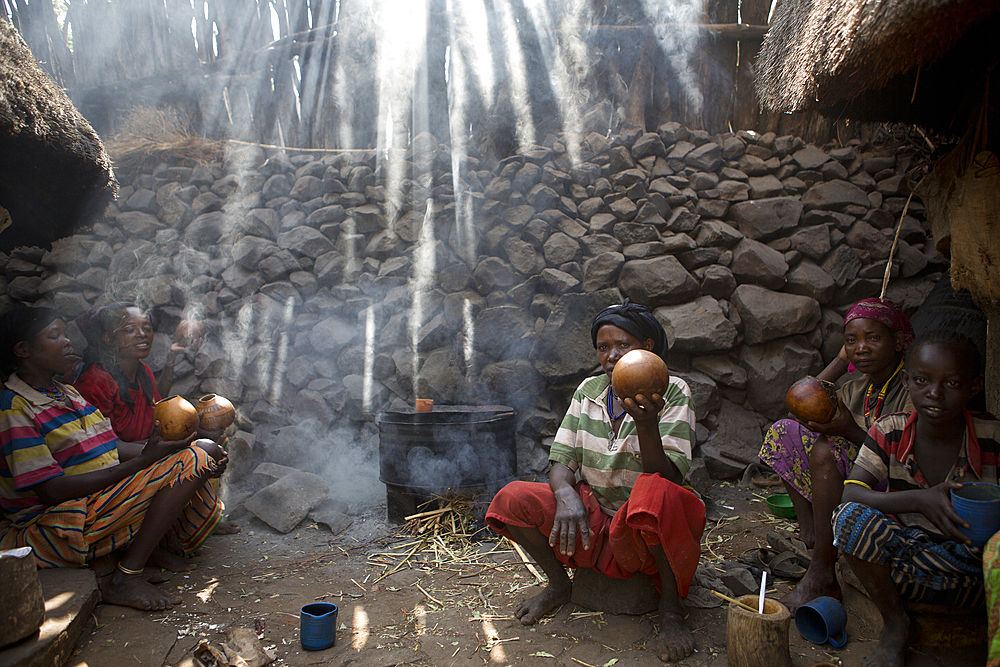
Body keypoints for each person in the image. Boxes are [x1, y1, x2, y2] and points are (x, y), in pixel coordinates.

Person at [485, 300, 705, 663]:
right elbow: (561, 460)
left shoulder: (673, 391)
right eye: (603, 347)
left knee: (656, 494)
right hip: (593, 520)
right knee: (512, 498)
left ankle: (670, 611)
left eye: (623, 345)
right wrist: (565, 493)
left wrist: (647, 424)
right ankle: (559, 585)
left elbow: (668, 476)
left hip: (647, 528)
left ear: (648, 348)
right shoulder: (589, 390)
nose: (611, 355)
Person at [0, 307, 227, 611]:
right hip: (57, 522)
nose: (68, 342)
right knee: (196, 457)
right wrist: (145, 462)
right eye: (56, 336)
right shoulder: (14, 407)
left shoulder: (65, 393)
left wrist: (181, 447)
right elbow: (51, 490)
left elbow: (113, 446)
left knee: (203, 449)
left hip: (93, 501)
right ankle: (126, 575)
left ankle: (144, 551)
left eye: (66, 334)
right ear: (23, 349)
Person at [834, 331, 996, 667]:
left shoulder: (991, 435)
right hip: (908, 566)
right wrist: (919, 500)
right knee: (849, 517)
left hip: (975, 573)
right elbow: (851, 492)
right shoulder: (889, 429)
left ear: (974, 387)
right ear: (907, 381)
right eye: (922, 380)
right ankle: (896, 625)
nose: (935, 394)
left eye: (952, 384)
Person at [759, 297, 914, 609]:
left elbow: (901, 458)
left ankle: (822, 572)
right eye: (851, 341)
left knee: (827, 448)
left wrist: (849, 432)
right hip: (844, 481)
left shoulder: (912, 387)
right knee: (783, 431)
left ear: (898, 342)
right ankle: (814, 535)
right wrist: (841, 362)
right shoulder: (858, 387)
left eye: (873, 338)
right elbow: (804, 398)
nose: (862, 348)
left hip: (892, 485)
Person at [71, 303, 239, 536]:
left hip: (145, 448)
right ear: (109, 339)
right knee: (198, 451)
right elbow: (103, 448)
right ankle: (184, 526)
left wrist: (171, 359)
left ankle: (203, 517)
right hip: (118, 464)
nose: (142, 334)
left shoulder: (142, 371)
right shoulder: (95, 382)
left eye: (146, 327)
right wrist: (172, 449)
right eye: (130, 329)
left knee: (213, 439)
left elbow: (158, 408)